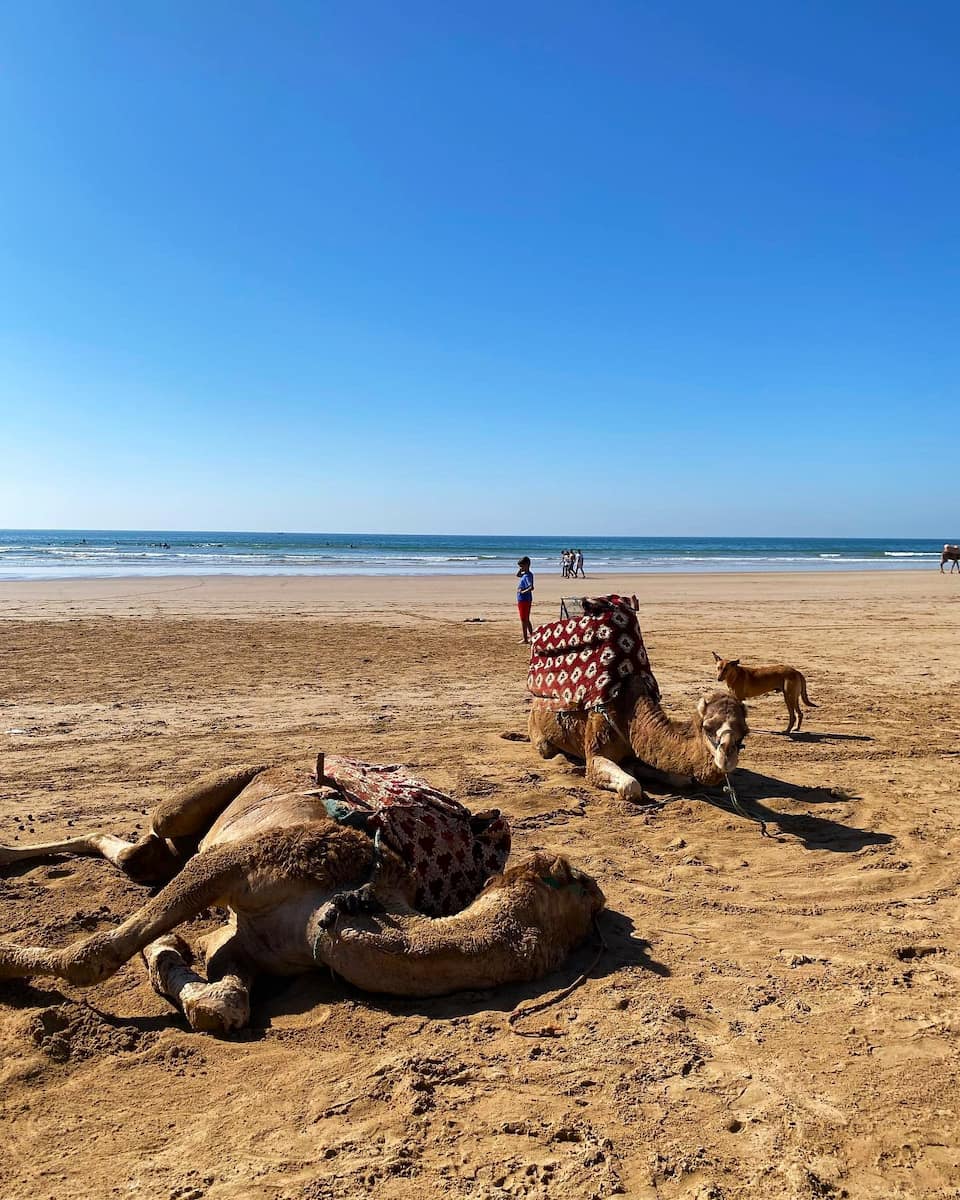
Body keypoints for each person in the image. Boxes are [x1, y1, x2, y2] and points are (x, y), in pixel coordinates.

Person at [516, 556, 535, 643]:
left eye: (522, 566)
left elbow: (531, 587)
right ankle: (530, 637)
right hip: (522, 599)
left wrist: (523, 591)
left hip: (525, 599)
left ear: (527, 565)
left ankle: (527, 638)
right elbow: (518, 575)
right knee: (525, 619)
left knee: (524, 619)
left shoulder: (528, 576)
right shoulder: (525, 574)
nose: (520, 568)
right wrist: (521, 569)